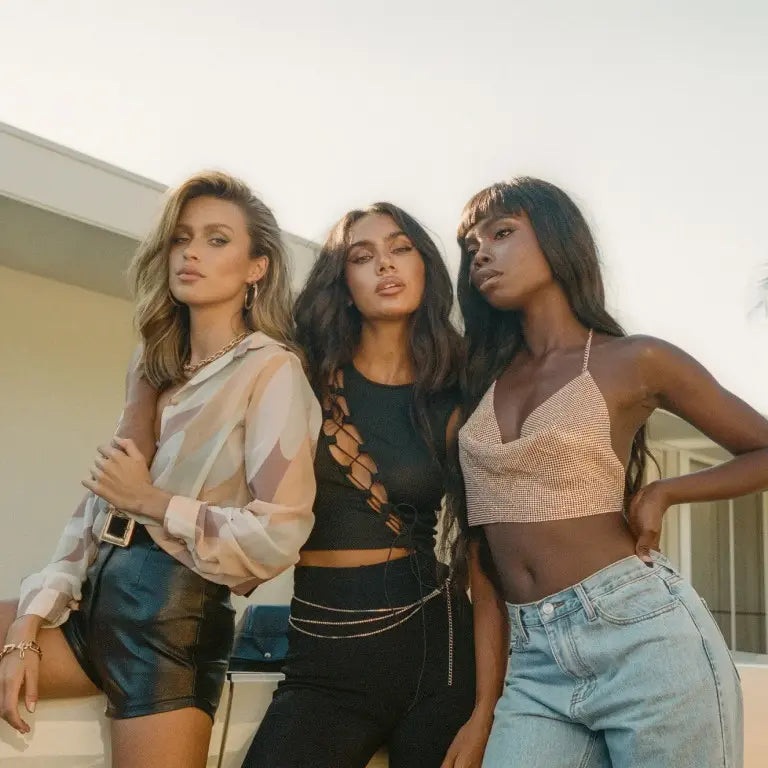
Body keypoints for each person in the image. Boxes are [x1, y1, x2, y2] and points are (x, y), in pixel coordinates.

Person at [0, 171, 321, 768]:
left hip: (172, 619)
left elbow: (278, 535)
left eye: (217, 239)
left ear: (257, 267)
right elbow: (97, 505)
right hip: (95, 598)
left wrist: (150, 501)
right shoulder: (152, 363)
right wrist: (27, 625)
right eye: (181, 238)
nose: (192, 252)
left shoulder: (272, 371)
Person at [453, 176, 768, 767]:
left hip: (642, 638)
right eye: (472, 247)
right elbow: (482, 557)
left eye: (502, 233)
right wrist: (482, 708)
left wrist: (665, 491)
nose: (482, 255)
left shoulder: (636, 360)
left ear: (557, 238)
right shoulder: (480, 382)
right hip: (534, 663)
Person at [243, 203, 505, 768]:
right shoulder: (298, 375)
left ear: (425, 265)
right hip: (322, 656)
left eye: (401, 248)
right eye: (363, 256)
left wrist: (487, 707)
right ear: (343, 281)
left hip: (440, 655)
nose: (386, 265)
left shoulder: (456, 390)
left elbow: (480, 552)